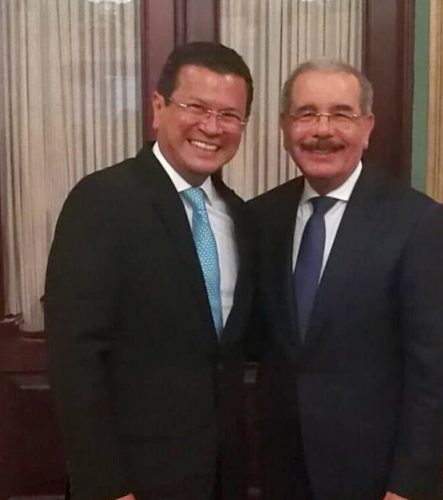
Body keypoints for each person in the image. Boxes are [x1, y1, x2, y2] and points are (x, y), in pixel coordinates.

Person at [45, 41, 254, 500]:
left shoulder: (238, 216)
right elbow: (75, 357)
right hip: (132, 480)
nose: (211, 127)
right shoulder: (102, 201)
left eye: (229, 115)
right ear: (158, 108)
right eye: (196, 107)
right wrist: (106, 486)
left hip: (220, 476)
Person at [249, 59, 443, 500]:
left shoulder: (417, 222)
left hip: (379, 479)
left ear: (367, 127)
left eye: (341, 114)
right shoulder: (261, 218)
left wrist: (409, 485)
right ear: (285, 127)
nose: (322, 129)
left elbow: (435, 372)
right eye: (306, 113)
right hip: (282, 474)